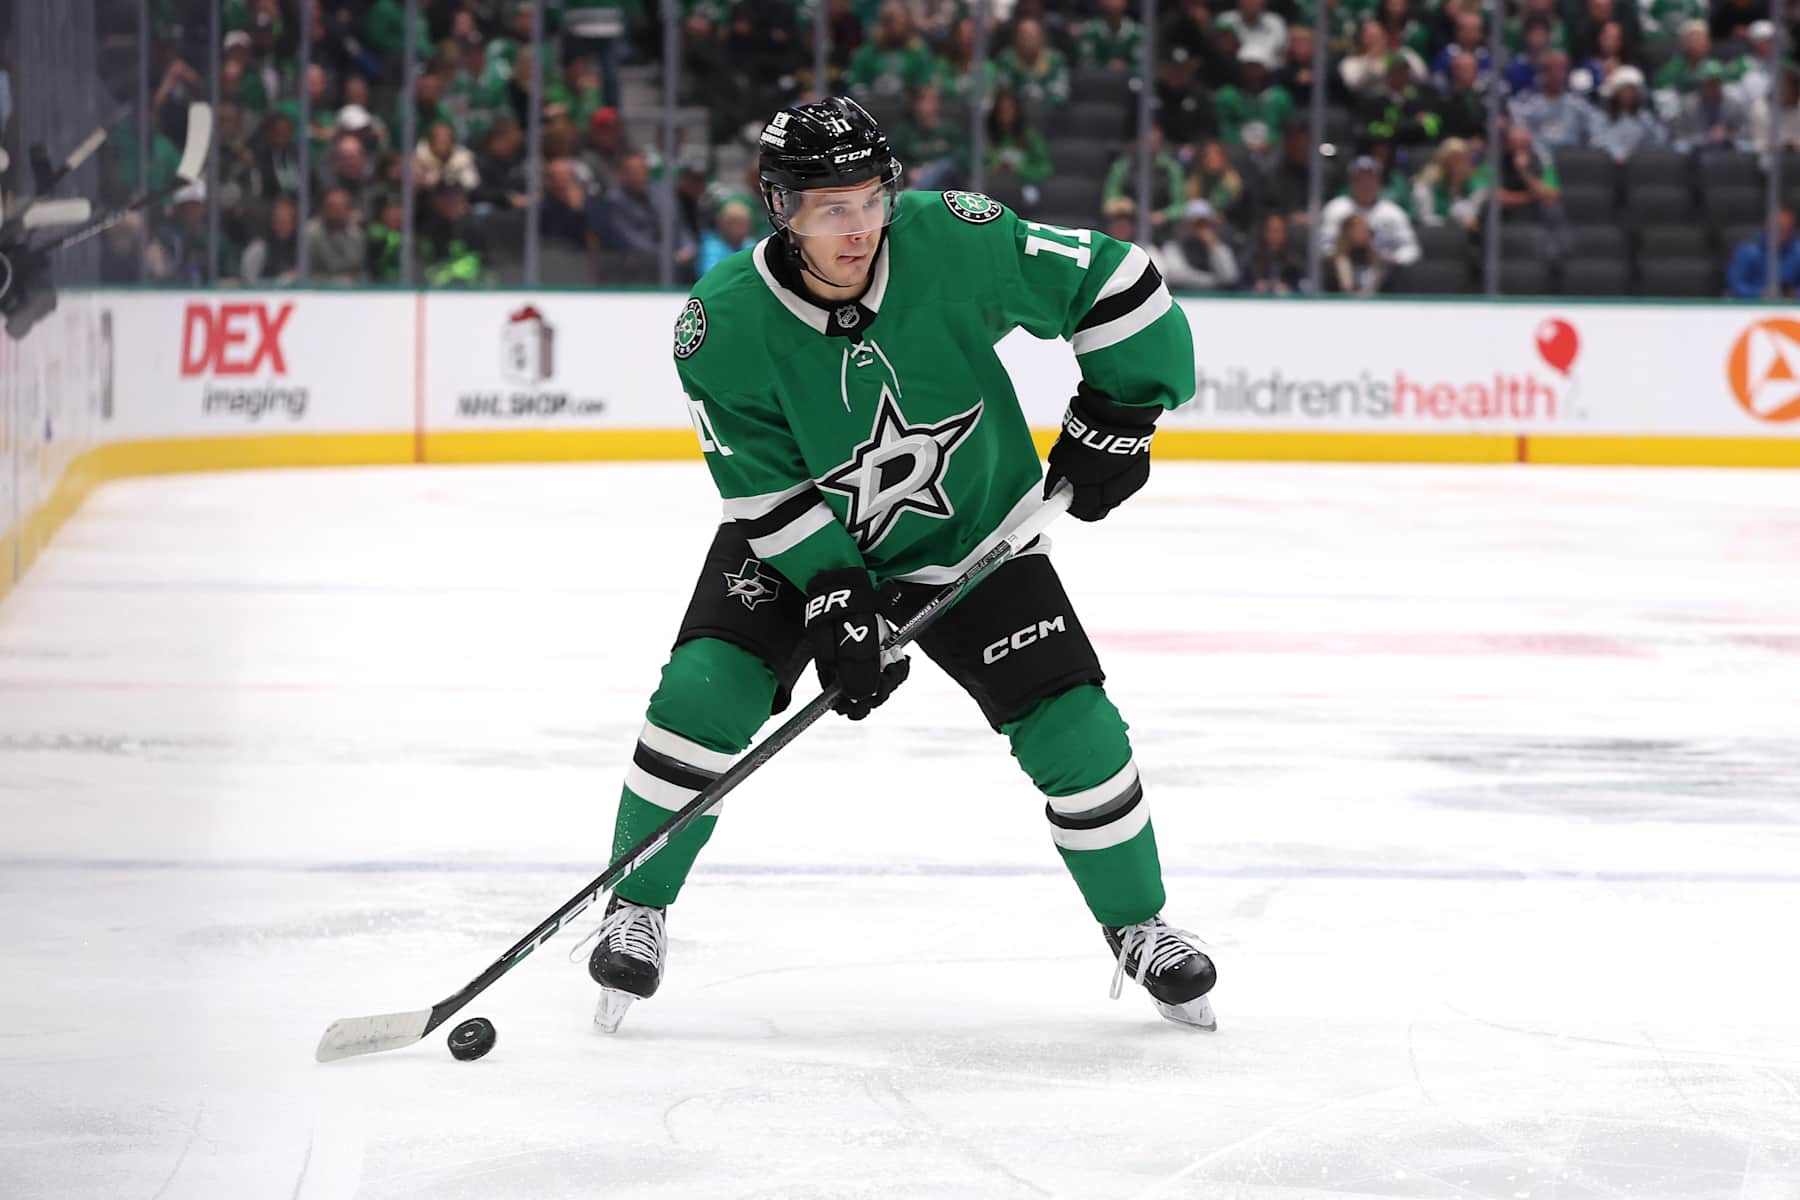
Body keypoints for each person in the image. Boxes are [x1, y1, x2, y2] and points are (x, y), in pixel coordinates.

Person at [584, 96, 1216, 1036]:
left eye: (871, 199)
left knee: (1075, 728)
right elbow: (764, 490)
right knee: (702, 694)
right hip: (801, 546)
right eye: (830, 208)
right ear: (780, 209)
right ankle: (636, 903)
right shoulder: (722, 323)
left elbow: (1118, 281)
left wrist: (1123, 414)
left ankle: (1139, 924)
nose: (859, 227)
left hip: (972, 539)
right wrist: (836, 594)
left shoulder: (954, 239)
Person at [1317, 156, 1420, 279]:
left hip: (1386, 274)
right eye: (1360, 179)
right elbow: (1323, 246)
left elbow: (1411, 249)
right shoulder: (1336, 208)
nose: (1365, 184)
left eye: (1370, 179)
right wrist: (1344, 253)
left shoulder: (1393, 212)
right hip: (1340, 273)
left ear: (1379, 182)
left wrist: (1391, 260)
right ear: (1351, 182)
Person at [1510, 50, 1601, 148]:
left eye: (1562, 69)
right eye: (1553, 69)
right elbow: (1519, 129)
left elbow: (1598, 129)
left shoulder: (1579, 106)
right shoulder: (1528, 106)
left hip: (1572, 154)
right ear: (1543, 72)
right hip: (1538, 155)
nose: (1558, 75)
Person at [1154, 199, 1241, 290]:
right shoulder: (1172, 247)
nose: (1201, 228)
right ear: (1185, 224)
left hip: (1215, 297)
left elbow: (1230, 276)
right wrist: (1214, 281)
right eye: (1196, 223)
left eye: (1205, 223)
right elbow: (1176, 276)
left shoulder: (1218, 246)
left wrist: (1214, 246)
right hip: (1185, 296)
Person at [1726, 208, 1800, 298]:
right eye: (1778, 229)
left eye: (1787, 229)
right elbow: (1735, 285)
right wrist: (1760, 293)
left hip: (1789, 303)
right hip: (1752, 303)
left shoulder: (1797, 252)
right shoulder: (1747, 251)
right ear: (1766, 228)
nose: (1782, 234)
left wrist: (1794, 293)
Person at [304, 186, 367, 284]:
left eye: (341, 207)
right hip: (317, 288)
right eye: (331, 207)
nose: (336, 212)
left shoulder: (357, 235)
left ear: (349, 210)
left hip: (351, 289)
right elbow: (305, 272)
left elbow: (359, 269)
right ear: (323, 209)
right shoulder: (309, 233)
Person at [240, 195, 300, 284]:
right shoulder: (259, 249)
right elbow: (249, 284)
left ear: (294, 223)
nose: (281, 225)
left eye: (286, 221)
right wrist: (280, 282)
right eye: (278, 220)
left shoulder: (301, 250)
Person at [1245, 211, 1304, 293]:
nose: (1275, 235)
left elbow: (1303, 287)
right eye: (1271, 230)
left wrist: (1289, 289)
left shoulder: (1294, 262)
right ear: (1265, 233)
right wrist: (1254, 288)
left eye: (1278, 231)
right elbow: (1240, 286)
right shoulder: (1252, 259)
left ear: (1284, 234)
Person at [698, 198, 758, 275]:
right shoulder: (711, 248)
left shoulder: (751, 245)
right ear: (724, 224)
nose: (743, 229)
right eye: (738, 224)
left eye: (746, 224)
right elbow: (711, 275)